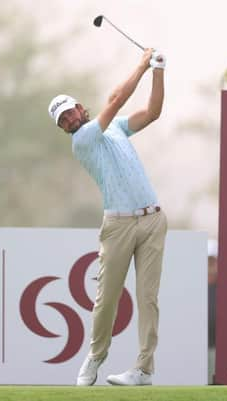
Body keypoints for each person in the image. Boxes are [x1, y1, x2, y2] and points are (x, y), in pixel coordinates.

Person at [47, 48, 167, 386]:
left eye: (69, 113)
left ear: (80, 107)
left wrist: (158, 70)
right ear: (63, 129)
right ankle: (96, 357)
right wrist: (142, 65)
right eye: (63, 121)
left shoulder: (114, 128)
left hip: (153, 220)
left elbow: (153, 112)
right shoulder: (83, 140)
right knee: (108, 298)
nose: (69, 121)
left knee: (148, 298)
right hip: (119, 225)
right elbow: (115, 98)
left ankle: (143, 369)